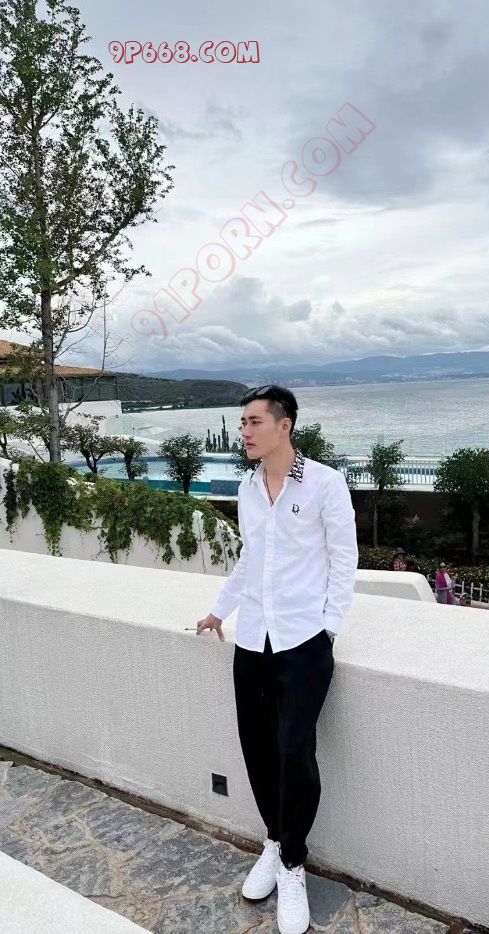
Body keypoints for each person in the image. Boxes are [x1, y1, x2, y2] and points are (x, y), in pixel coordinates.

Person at [195, 384, 358, 934]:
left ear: (284, 425)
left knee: (295, 754)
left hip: (304, 643)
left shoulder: (324, 484)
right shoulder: (247, 486)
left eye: (253, 422)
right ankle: (273, 840)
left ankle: (293, 863)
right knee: (258, 750)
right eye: (242, 422)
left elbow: (344, 559)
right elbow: (250, 559)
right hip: (252, 643)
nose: (244, 431)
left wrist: (328, 629)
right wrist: (220, 611)